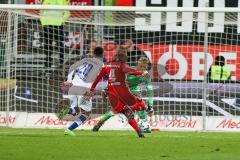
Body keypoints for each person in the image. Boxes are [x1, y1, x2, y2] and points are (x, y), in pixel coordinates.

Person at [85, 49, 149, 138]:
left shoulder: (106, 66)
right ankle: (139, 131)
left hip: (112, 94)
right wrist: (141, 73)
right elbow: (129, 71)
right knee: (132, 109)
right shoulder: (121, 65)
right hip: (122, 92)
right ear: (123, 57)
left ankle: (98, 125)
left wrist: (91, 91)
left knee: (117, 110)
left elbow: (97, 79)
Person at [60, 47, 104, 136]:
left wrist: (69, 81)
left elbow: (72, 67)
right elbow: (98, 79)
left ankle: (71, 110)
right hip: (84, 91)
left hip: (72, 87)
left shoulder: (86, 59)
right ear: (102, 55)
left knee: (75, 110)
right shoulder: (101, 65)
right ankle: (68, 129)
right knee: (86, 114)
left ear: (93, 53)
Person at [40, 0, 70, 68]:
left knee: (57, 43)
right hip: (47, 24)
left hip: (56, 24)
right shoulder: (46, 1)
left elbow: (67, 13)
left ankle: (59, 62)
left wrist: (61, 20)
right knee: (49, 43)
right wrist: (43, 21)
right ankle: (49, 61)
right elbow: (41, 11)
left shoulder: (62, 1)